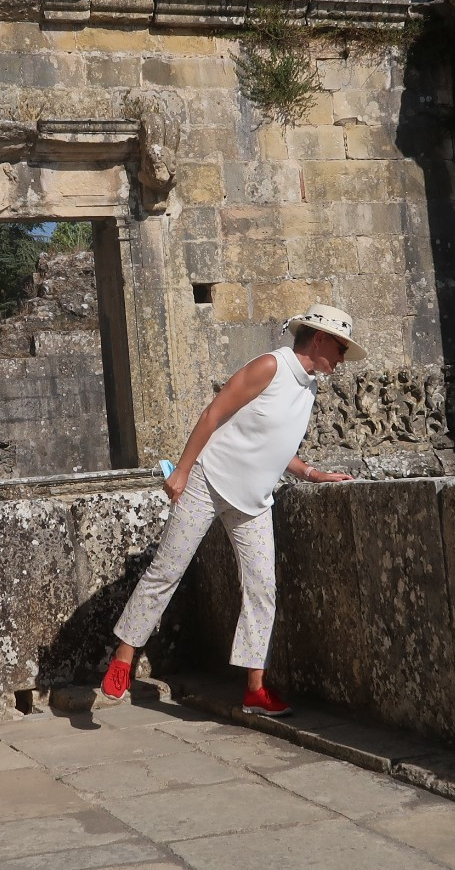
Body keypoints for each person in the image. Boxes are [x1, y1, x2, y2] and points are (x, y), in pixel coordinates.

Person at [99, 304, 363, 715]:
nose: (343, 357)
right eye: (341, 347)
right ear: (320, 339)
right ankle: (123, 658)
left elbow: (276, 447)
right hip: (208, 481)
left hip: (254, 501)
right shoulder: (269, 366)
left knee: (262, 590)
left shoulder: (308, 386)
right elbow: (214, 413)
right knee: (167, 570)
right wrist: (183, 471)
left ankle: (255, 689)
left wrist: (311, 473)